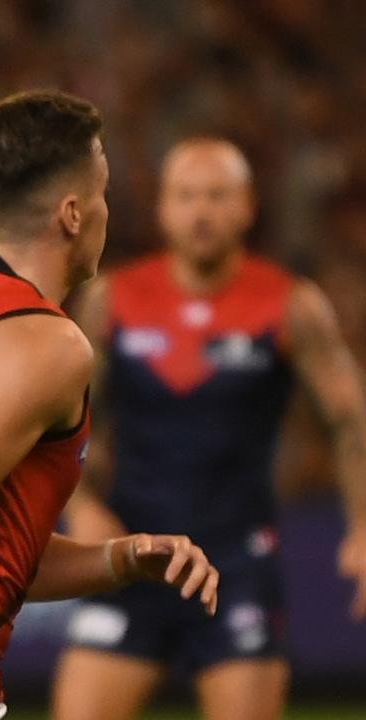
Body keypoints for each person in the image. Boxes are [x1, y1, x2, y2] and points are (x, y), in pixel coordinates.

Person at [0, 91, 221, 720]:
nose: (106, 211)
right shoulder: (47, 343)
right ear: (71, 214)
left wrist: (122, 558)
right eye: (101, 192)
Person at [52, 137, 366, 720]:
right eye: (186, 196)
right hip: (129, 553)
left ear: (248, 206)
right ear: (162, 208)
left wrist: (363, 528)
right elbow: (54, 416)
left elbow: (352, 419)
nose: (201, 212)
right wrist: (81, 502)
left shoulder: (290, 304)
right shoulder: (112, 300)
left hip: (239, 562)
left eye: (217, 196)